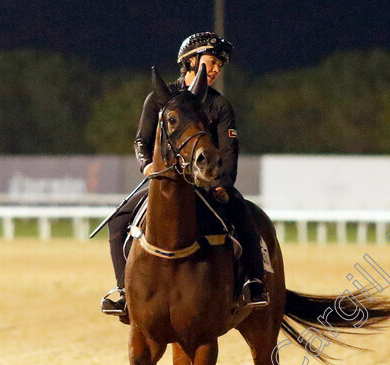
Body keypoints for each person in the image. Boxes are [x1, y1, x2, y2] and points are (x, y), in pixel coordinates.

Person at [101, 32, 269, 319]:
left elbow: (228, 152)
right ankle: (124, 293)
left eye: (219, 66)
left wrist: (222, 184)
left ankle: (254, 283)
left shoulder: (219, 105)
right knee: (117, 221)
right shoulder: (158, 98)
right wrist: (147, 167)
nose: (216, 70)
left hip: (207, 184)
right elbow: (141, 141)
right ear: (190, 61)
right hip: (165, 182)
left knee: (243, 213)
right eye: (212, 62)